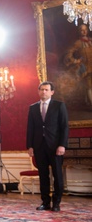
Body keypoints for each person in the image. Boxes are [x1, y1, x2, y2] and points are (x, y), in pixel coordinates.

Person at [26, 81, 69, 212]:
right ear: (38, 91)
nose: (43, 92)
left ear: (52, 92)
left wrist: (62, 145)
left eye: (46, 90)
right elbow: (30, 128)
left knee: (57, 175)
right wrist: (30, 146)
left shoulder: (59, 106)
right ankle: (45, 202)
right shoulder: (33, 107)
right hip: (39, 146)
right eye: (41, 90)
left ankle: (56, 203)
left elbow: (64, 127)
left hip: (55, 146)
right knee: (43, 175)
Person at [64, 23, 92, 106]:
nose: (84, 32)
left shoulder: (91, 40)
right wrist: (75, 61)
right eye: (82, 30)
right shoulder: (78, 43)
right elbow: (69, 53)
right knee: (89, 86)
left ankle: (87, 101)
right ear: (79, 32)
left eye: (85, 30)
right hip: (86, 68)